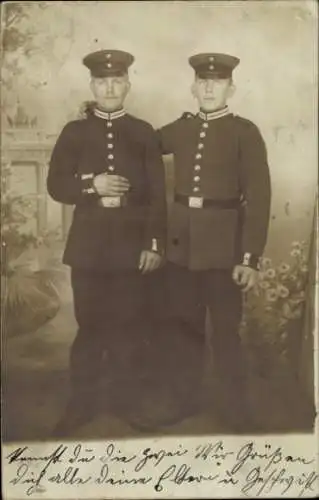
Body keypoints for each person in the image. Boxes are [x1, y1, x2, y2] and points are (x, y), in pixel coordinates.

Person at [47, 49, 166, 436]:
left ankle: (128, 404)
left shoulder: (144, 131)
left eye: (117, 81)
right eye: (102, 81)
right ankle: (81, 405)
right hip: (89, 250)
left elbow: (156, 195)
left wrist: (153, 243)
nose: (110, 87)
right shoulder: (74, 132)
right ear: (92, 86)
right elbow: (56, 186)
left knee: (129, 328)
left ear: (128, 84)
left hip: (131, 249)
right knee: (90, 328)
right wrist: (91, 184)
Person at [157, 53, 271, 431]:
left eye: (217, 82)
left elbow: (259, 196)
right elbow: (140, 145)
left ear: (230, 88)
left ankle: (235, 410)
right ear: (193, 87)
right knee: (183, 330)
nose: (208, 87)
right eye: (202, 81)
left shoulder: (245, 132)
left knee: (226, 332)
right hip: (182, 250)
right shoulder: (180, 129)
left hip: (225, 252)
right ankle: (184, 402)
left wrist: (250, 258)